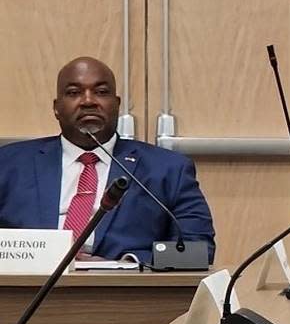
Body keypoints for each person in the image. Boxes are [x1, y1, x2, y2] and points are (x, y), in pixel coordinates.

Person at [0, 57, 215, 264]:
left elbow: (198, 249)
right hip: (27, 291)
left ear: (117, 104)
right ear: (56, 108)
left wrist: (125, 265)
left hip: (123, 296)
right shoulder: (9, 164)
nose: (88, 101)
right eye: (74, 92)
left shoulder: (167, 169)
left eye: (101, 92)